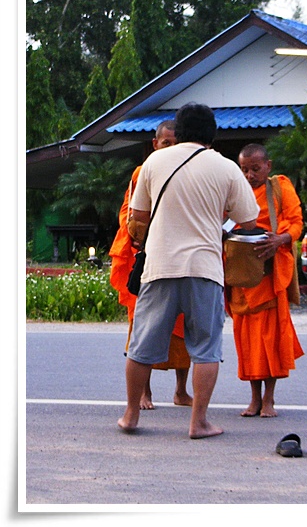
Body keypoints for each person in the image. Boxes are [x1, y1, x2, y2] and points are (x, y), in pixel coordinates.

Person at [117, 103, 259, 438]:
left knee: (141, 347)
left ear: (177, 132)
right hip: (205, 267)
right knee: (206, 348)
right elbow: (249, 220)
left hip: (160, 265)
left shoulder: (154, 161)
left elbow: (137, 216)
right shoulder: (225, 168)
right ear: (212, 134)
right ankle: (199, 422)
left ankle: (131, 414)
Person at [109, 121, 192, 410]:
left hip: (178, 254)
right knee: (143, 324)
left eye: (175, 143)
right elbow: (128, 212)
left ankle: (181, 390)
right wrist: (135, 234)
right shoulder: (142, 172)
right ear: (155, 144)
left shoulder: (189, 171)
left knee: (182, 324)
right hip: (145, 256)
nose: (170, 148)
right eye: (165, 143)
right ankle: (144, 393)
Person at [225, 143, 304, 418]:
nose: (249, 175)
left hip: (268, 273)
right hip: (239, 272)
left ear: (268, 166)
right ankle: (254, 398)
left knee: (270, 340)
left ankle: (269, 399)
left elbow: (295, 222)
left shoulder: (279, 187)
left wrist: (281, 239)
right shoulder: (233, 190)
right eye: (244, 169)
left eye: (255, 169)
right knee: (246, 340)